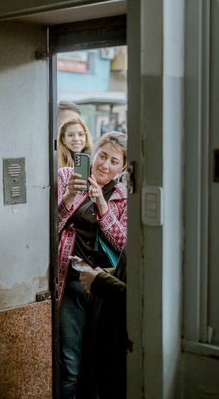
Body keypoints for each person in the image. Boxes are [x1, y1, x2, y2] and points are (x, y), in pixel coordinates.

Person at [56, 131, 128, 399]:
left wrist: (101, 204)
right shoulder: (66, 177)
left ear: (123, 168)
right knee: (70, 365)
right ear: (93, 152)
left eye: (114, 162)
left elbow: (124, 244)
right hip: (71, 283)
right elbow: (49, 225)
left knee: (97, 363)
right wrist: (68, 198)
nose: (105, 165)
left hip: (103, 288)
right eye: (102, 156)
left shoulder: (122, 195)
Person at [78, 252, 130, 399]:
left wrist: (99, 280)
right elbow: (129, 271)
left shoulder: (158, 239)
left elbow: (141, 299)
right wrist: (103, 273)